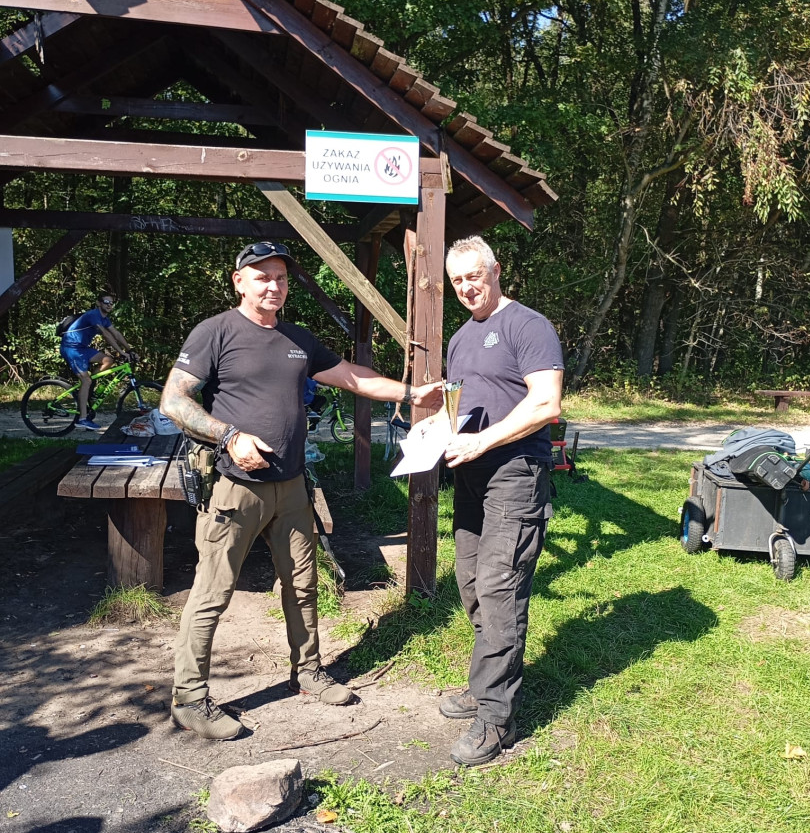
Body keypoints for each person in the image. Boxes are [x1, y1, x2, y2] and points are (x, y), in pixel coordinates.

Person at [160, 240, 442, 741]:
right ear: (239, 281)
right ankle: (189, 697)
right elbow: (173, 401)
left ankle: (308, 672)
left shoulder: (297, 339)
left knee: (303, 584)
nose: (274, 286)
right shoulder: (215, 332)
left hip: (291, 487)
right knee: (212, 593)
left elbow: (352, 377)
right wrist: (229, 435)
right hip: (237, 487)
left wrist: (410, 393)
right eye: (262, 276)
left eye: (281, 278)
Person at [439, 235, 564, 767]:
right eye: (457, 280)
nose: (467, 288)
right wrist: (434, 431)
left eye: (474, 276)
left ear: (495, 270)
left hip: (515, 475)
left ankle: (496, 718)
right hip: (470, 475)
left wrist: (482, 442)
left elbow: (546, 403)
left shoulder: (528, 326)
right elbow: (459, 405)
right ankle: (487, 681)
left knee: (500, 588)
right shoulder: (460, 337)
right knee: (471, 583)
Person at [59, 292, 138, 430]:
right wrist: (121, 352)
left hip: (83, 348)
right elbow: (106, 335)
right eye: (106, 302)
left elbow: (116, 333)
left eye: (111, 303)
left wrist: (130, 350)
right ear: (99, 303)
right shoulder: (93, 315)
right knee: (86, 381)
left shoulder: (105, 319)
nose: (109, 305)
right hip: (71, 348)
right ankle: (82, 419)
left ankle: (89, 390)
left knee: (108, 360)